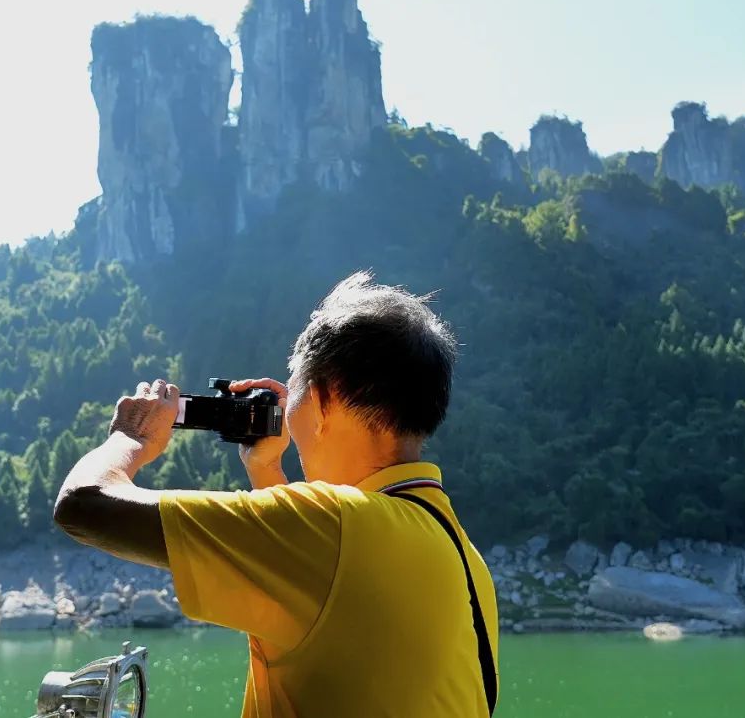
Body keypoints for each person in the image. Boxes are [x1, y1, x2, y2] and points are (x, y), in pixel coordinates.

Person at [53, 271, 499, 718]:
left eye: (296, 390)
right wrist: (266, 469)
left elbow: (84, 505)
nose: (289, 411)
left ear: (325, 399)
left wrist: (131, 438)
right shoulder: (461, 555)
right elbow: (325, 596)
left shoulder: (334, 527)